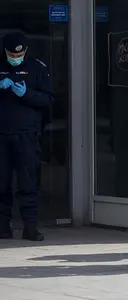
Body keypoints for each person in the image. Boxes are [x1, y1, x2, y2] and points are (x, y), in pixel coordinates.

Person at [0, 32, 55, 241]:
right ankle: (3, 227)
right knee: (1, 183)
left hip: (27, 135)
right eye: (12, 54)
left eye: (20, 53)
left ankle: (30, 227)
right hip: (1, 135)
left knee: (28, 182)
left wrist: (27, 94)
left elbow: (48, 98)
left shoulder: (36, 68)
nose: (16, 56)